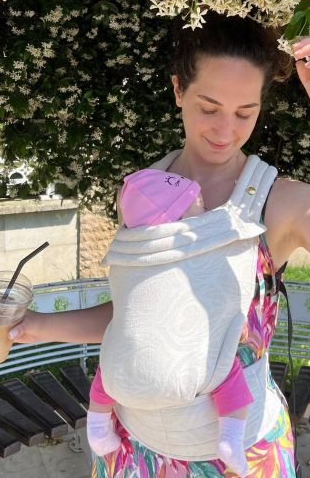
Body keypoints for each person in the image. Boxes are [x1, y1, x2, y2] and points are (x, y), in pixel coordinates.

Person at [0, 11, 310, 477]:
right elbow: (139, 318)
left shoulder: (278, 202)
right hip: (134, 450)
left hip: (238, 456)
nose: (225, 131)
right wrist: (35, 326)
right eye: (209, 107)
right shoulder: (146, 192)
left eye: (245, 113)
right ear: (178, 90)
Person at [88, 168, 255, 476]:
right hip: (187, 361)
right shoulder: (193, 249)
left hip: (128, 362)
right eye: (195, 201)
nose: (204, 202)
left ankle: (97, 426)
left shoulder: (126, 253)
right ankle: (231, 438)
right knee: (227, 371)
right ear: (172, 221)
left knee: (111, 364)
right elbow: (218, 292)